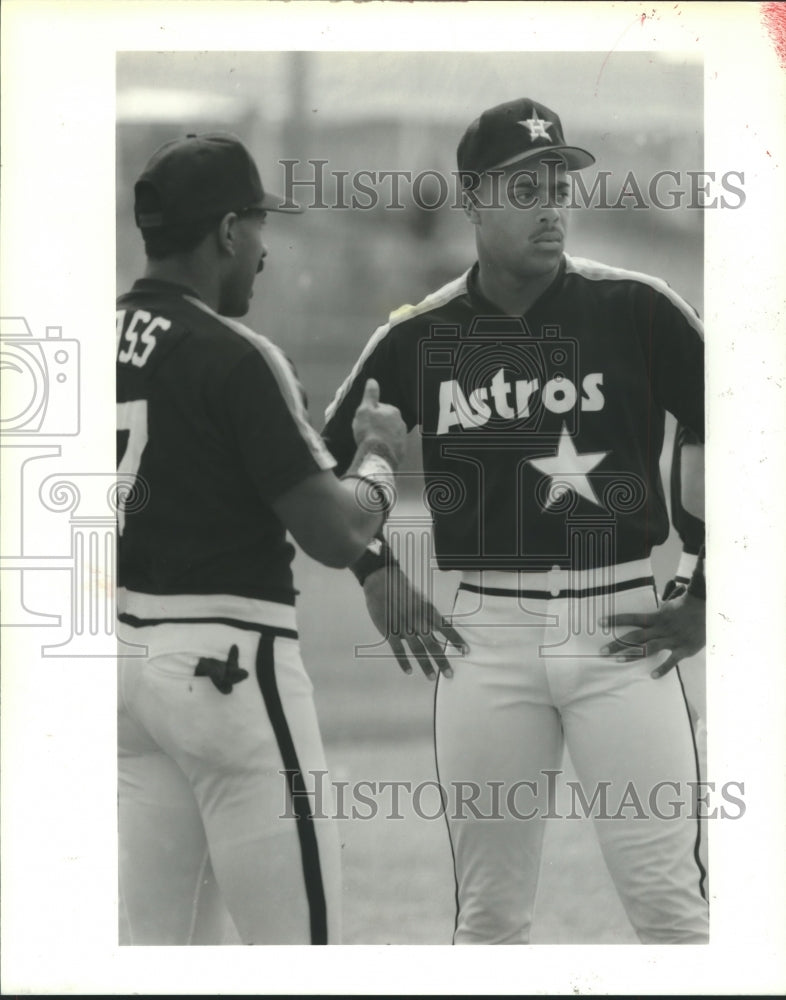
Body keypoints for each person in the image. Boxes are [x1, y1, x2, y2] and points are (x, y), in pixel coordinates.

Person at [322, 98, 708, 944]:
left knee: (674, 911)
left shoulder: (639, 309)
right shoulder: (419, 337)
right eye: (525, 186)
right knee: (489, 917)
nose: (553, 204)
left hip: (622, 625)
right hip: (485, 636)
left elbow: (746, 431)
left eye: (560, 183)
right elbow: (316, 463)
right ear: (473, 201)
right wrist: (376, 569)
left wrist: (702, 587)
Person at [115, 132, 407, 945]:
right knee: (300, 956)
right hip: (230, 671)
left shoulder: (88, 342)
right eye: (259, 225)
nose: (265, 249)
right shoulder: (237, 355)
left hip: (123, 670)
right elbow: (337, 532)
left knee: (162, 961)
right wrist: (382, 453)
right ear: (227, 232)